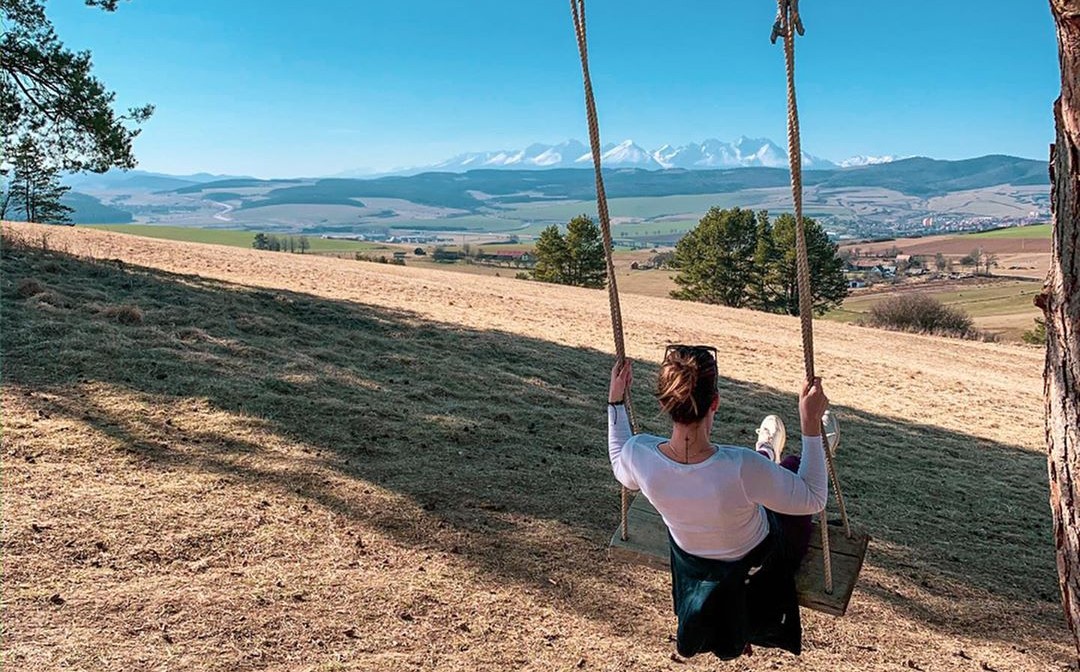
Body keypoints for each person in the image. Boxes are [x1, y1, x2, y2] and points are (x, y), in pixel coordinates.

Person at [606, 345, 832, 660]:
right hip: (761, 565)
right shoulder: (740, 466)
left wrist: (615, 401)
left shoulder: (638, 455)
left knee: (762, 477)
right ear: (716, 402)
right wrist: (810, 426)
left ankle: (767, 451)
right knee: (793, 466)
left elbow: (618, 460)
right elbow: (814, 497)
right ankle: (784, 451)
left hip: (695, 568)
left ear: (663, 403)